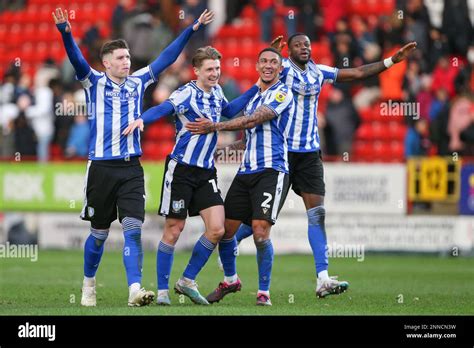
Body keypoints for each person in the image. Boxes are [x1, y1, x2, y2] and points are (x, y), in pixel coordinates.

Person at [223, 33, 417, 299]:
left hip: (309, 154)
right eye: (298, 45)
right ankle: (229, 245)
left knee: (317, 214)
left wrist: (391, 61)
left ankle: (323, 278)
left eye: (307, 44)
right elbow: (266, 69)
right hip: (281, 154)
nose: (304, 48)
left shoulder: (319, 72)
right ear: (288, 52)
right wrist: (270, 51)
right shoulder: (283, 72)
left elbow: (358, 72)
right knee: (262, 220)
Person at [52, 6, 215, 307]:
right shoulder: (94, 82)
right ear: (106, 63)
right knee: (99, 234)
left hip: (130, 169)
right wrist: (66, 32)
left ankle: (134, 290)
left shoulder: (138, 81)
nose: (127, 62)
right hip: (101, 168)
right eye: (120, 58)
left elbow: (166, 57)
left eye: (128, 57)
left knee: (133, 229)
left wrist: (191, 29)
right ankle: (89, 283)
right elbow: (75, 58)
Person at [122, 46, 259, 305]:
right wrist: (143, 120)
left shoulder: (217, 92)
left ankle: (186, 280)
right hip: (181, 170)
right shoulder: (187, 93)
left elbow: (229, 112)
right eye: (209, 69)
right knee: (174, 230)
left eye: (217, 68)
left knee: (217, 229)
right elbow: (163, 108)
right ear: (196, 71)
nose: (215, 73)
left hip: (206, 172)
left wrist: (257, 86)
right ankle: (162, 292)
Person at [186, 47, 295, 306]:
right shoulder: (254, 96)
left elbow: (251, 121)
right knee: (225, 232)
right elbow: (247, 139)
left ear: (280, 68)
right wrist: (219, 150)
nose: (268, 65)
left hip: (272, 170)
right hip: (246, 172)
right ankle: (231, 279)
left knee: (260, 232)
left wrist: (215, 127)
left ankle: (263, 292)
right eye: (264, 61)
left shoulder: (282, 92)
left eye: (274, 62)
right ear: (257, 66)